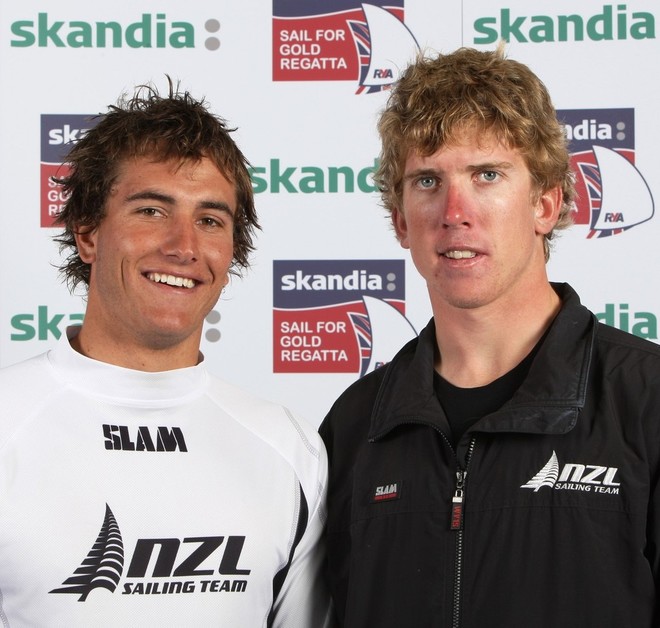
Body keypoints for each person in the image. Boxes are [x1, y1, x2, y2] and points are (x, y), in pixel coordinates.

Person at [319, 46, 660, 627]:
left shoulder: (647, 399)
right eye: (427, 180)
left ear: (545, 204)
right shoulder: (356, 425)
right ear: (401, 220)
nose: (455, 211)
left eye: (487, 175)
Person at [0, 80, 332, 626]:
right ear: (87, 232)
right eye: (151, 210)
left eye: (210, 220)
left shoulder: (291, 450)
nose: (183, 246)